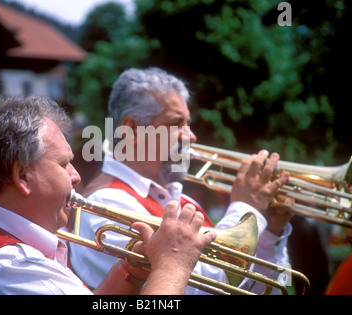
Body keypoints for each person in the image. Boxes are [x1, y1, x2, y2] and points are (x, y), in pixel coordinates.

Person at [0, 96, 216, 295]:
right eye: (64, 164)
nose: (76, 176)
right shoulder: (10, 266)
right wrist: (173, 266)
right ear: (23, 176)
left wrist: (131, 271)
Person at [68, 67, 293, 295]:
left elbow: (262, 289)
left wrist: (268, 232)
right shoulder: (106, 203)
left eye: (188, 123)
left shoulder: (183, 201)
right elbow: (195, 289)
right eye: (176, 124)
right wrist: (248, 210)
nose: (191, 136)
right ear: (133, 130)